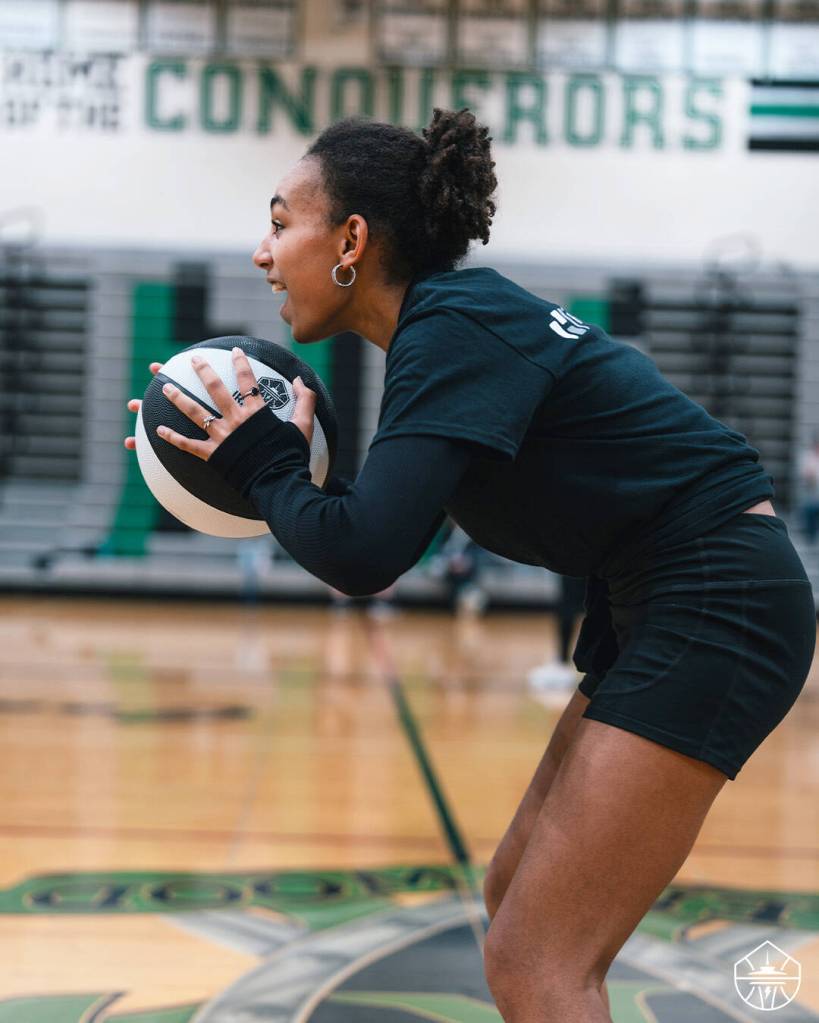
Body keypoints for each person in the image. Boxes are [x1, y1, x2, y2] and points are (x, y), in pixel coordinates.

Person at [124, 109, 816, 1022]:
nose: (263, 252)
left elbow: (362, 554)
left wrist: (262, 463)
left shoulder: (453, 327)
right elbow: (371, 524)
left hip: (716, 597)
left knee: (536, 962)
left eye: (281, 221)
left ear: (352, 239)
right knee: (512, 895)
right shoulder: (446, 332)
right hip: (666, 596)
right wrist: (264, 465)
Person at [798, 432, 819, 544]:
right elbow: (806, 476)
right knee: (809, 508)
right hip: (812, 493)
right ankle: (810, 538)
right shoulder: (807, 457)